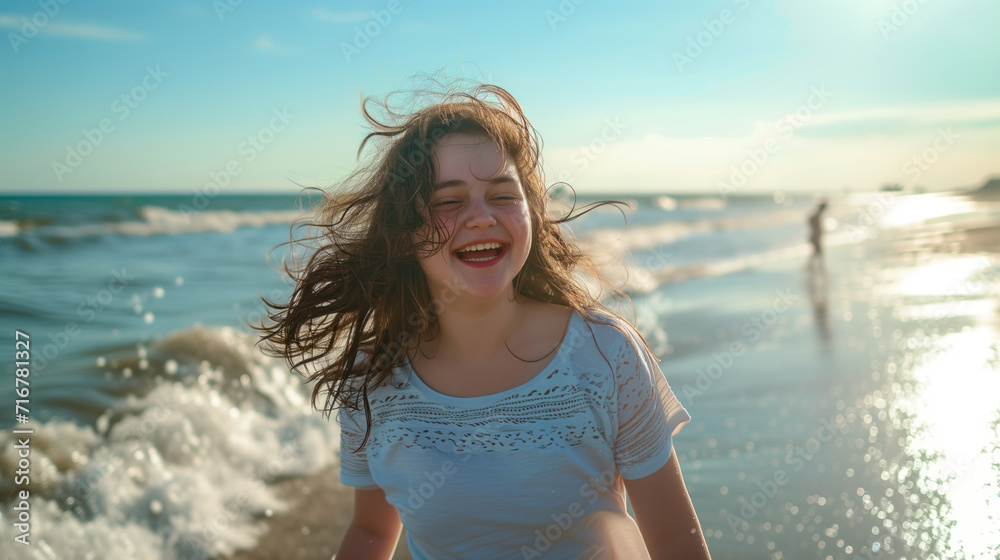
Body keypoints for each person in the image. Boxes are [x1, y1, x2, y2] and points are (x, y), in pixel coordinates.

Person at [257, 81, 710, 559]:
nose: (480, 217)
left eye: (502, 195)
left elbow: (674, 542)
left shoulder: (603, 354)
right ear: (406, 232)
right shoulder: (374, 379)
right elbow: (370, 532)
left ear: (531, 214)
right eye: (448, 201)